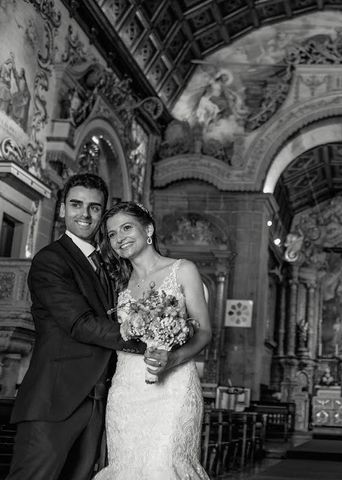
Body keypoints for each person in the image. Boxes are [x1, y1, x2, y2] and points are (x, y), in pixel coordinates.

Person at [8, 173, 145, 480]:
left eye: (94, 207)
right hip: (55, 401)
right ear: (61, 209)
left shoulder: (108, 264)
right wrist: (146, 339)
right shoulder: (51, 261)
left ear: (103, 213)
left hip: (98, 401)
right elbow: (80, 324)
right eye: (76, 204)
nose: (84, 214)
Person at [93, 201, 212, 479]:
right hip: (126, 389)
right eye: (111, 234)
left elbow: (204, 331)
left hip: (173, 387)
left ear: (148, 229)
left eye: (126, 228)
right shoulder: (116, 283)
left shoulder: (183, 270)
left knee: (165, 466)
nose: (119, 238)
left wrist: (172, 359)